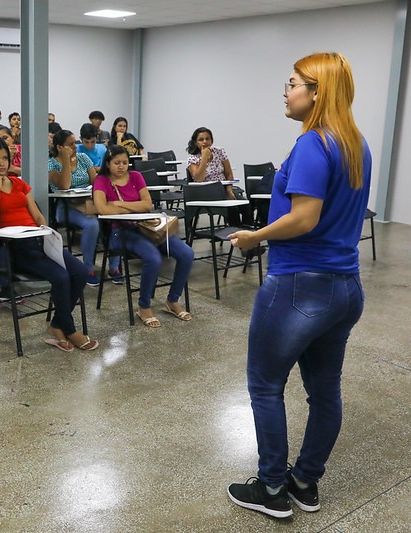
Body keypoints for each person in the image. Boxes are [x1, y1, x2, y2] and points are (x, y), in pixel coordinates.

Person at [226, 52, 370, 519]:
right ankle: (304, 481)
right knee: (324, 391)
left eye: (292, 84)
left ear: (316, 92)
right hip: (344, 287)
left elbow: (304, 218)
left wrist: (255, 237)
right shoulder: (355, 144)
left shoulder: (312, 144)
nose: (285, 93)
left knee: (265, 386)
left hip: (299, 286)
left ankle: (271, 491)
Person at [0, 137, 98, 352]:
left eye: (4, 158)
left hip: (38, 239)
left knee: (80, 272)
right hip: (13, 248)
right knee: (61, 276)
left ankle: (57, 325)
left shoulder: (19, 183)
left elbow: (38, 215)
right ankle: (70, 329)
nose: (1, 163)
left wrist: (44, 229)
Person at [93, 145, 194, 327]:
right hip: (120, 232)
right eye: (117, 163)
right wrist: (132, 205)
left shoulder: (136, 177)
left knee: (186, 254)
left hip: (148, 228)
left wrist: (119, 204)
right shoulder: (101, 181)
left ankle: (172, 300)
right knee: (153, 259)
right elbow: (102, 209)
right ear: (107, 163)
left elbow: (147, 205)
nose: (122, 166)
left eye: (125, 162)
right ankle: (144, 306)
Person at [48, 129, 101, 286]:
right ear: (60, 147)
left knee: (110, 219)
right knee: (91, 224)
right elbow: (65, 185)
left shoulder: (83, 158)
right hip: (65, 207)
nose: (75, 147)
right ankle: (88, 268)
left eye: (75, 142)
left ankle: (114, 267)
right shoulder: (51, 164)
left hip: (87, 203)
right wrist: (65, 160)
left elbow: (95, 182)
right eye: (70, 144)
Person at [186, 127, 253, 226]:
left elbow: (228, 173)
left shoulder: (219, 151)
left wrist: (229, 190)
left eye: (207, 139)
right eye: (201, 139)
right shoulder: (193, 158)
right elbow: (198, 179)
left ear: (212, 140)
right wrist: (204, 158)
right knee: (232, 208)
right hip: (206, 192)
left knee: (245, 204)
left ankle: (248, 232)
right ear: (196, 143)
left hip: (224, 189)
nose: (205, 142)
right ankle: (236, 235)